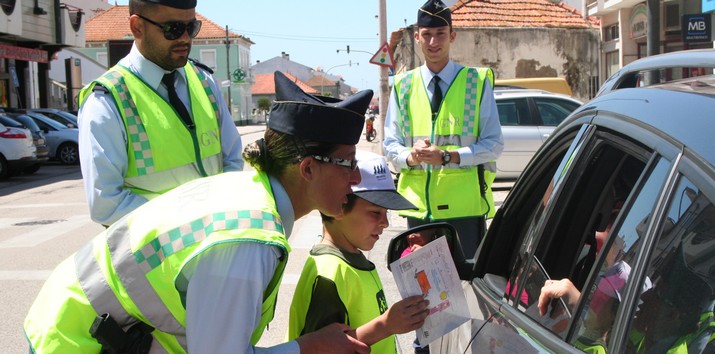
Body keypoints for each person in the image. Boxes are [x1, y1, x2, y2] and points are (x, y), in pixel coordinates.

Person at [24, 71, 374, 353]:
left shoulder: (248, 192)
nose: (356, 178)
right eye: (347, 163)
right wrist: (306, 347)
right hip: (75, 341)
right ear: (308, 169)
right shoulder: (247, 238)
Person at [78, 0, 243, 226]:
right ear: (137, 27)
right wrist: (194, 223)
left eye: (191, 27)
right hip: (157, 257)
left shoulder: (204, 82)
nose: (185, 38)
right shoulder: (107, 100)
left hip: (216, 245)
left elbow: (232, 160)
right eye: (173, 29)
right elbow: (106, 204)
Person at [383, 0, 504, 262]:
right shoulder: (403, 85)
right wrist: (411, 157)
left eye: (440, 34)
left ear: (452, 36)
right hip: (419, 213)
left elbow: (494, 144)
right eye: (426, 35)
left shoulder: (476, 82)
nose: (433, 42)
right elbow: (390, 144)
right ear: (417, 37)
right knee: (423, 293)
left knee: (466, 294)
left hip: (464, 212)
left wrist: (448, 157)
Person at [287, 150, 430, 353]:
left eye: (386, 213)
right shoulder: (329, 275)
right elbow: (320, 347)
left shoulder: (351, 258)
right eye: (375, 213)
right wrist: (387, 325)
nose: (386, 222)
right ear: (339, 208)